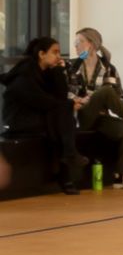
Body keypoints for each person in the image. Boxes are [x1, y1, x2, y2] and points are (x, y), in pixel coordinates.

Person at [3, 35, 85, 194]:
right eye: (55, 52)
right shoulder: (25, 74)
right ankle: (67, 166)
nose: (58, 56)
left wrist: (58, 71)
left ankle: (68, 161)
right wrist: (69, 105)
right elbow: (41, 101)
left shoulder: (46, 73)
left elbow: (60, 96)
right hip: (19, 121)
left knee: (61, 115)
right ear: (41, 54)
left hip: (37, 116)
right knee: (61, 116)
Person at [74, 44, 123, 187]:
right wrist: (78, 99)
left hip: (100, 116)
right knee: (106, 91)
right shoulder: (72, 65)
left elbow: (119, 94)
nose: (75, 46)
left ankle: (121, 175)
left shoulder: (108, 68)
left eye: (79, 42)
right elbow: (64, 90)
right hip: (78, 115)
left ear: (91, 45)